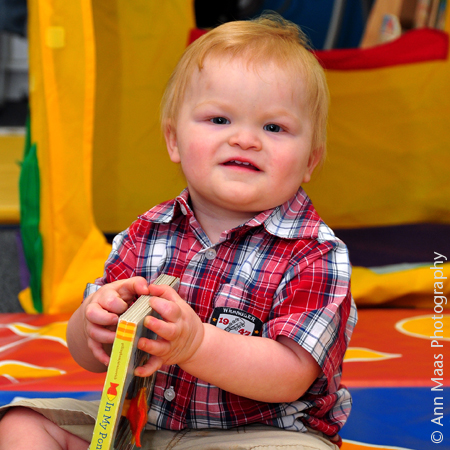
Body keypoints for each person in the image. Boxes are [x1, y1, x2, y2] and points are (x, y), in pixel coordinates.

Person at [0, 13, 357, 450]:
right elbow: (88, 358)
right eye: (219, 120)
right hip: (141, 425)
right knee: (21, 422)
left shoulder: (314, 253)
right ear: (173, 140)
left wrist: (197, 344)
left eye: (274, 127)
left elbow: (289, 377)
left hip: (261, 436)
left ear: (310, 161)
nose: (245, 139)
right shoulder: (147, 233)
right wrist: (93, 322)